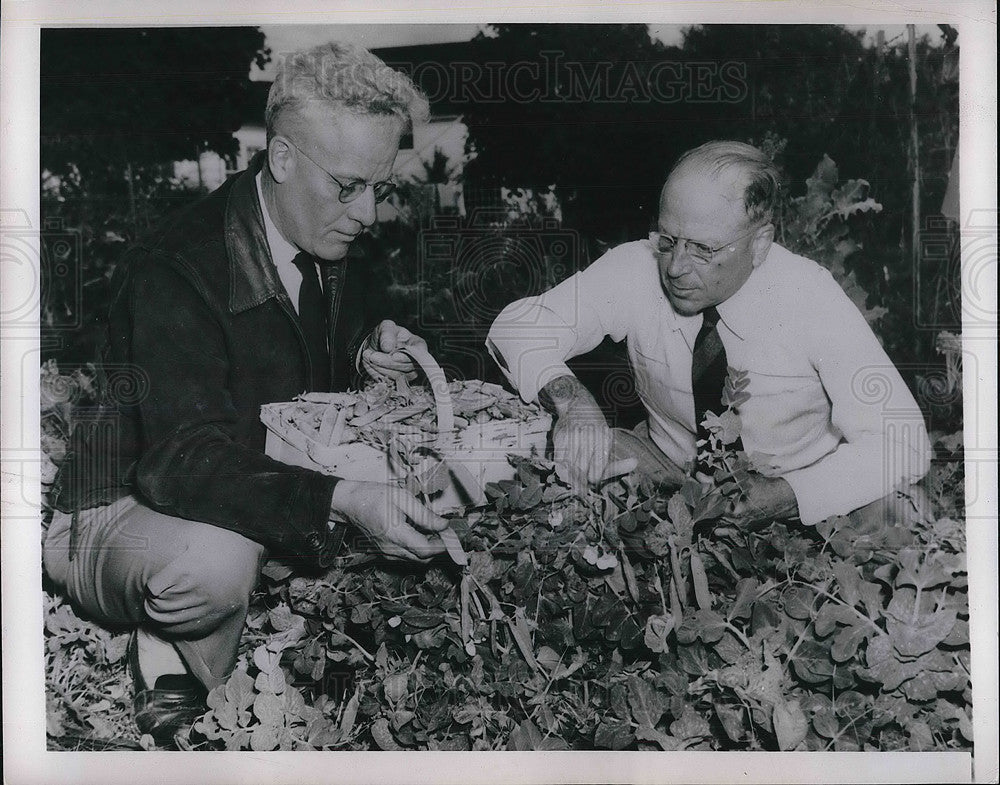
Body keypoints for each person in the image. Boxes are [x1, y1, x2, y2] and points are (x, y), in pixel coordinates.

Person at [44, 42, 448, 741]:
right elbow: (181, 459)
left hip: (233, 478)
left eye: (380, 189)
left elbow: (291, 386)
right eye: (350, 186)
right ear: (283, 159)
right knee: (218, 560)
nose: (370, 214)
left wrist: (363, 355)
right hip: (118, 506)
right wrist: (343, 499)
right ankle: (173, 667)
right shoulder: (174, 267)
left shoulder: (325, 234)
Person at [487, 140, 931, 529]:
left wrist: (791, 495)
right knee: (554, 454)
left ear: (759, 245)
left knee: (903, 510)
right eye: (668, 239)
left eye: (704, 249)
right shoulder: (637, 267)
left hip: (799, 481)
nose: (676, 267)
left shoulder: (810, 297)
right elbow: (514, 326)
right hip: (665, 469)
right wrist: (572, 401)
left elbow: (903, 443)